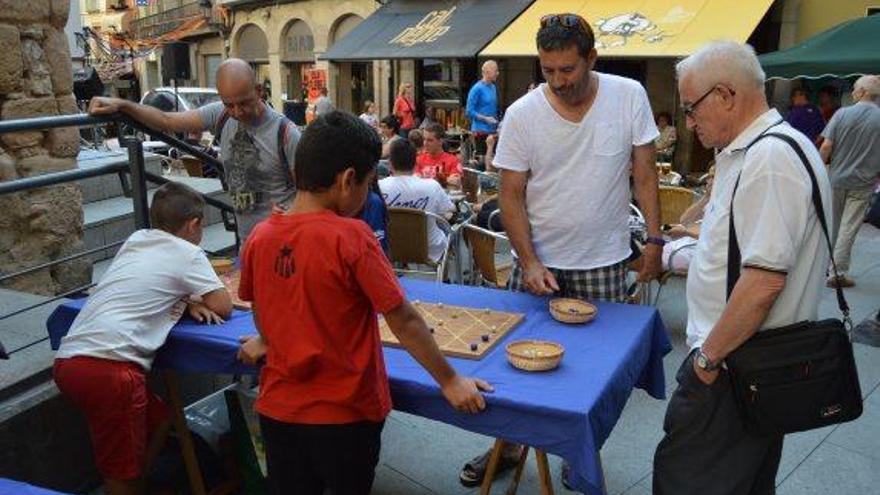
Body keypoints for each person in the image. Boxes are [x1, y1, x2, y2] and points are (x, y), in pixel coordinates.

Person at [234, 111, 490, 495]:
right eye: (369, 184)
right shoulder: (352, 237)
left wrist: (269, 340)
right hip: (344, 417)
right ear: (346, 180)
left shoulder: (260, 235)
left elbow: (261, 307)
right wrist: (450, 379)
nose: (369, 194)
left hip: (278, 411)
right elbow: (403, 319)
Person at [460, 13, 663, 489]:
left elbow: (646, 174)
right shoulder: (524, 112)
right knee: (516, 365)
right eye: (548, 70)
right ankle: (507, 445)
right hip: (539, 261)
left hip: (605, 258)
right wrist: (528, 261)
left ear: (592, 57)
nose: (558, 81)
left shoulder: (629, 96)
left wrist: (654, 240)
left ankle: (580, 452)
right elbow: (510, 193)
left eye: (568, 69)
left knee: (596, 372)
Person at [653, 41, 832, 495]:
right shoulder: (765, 148)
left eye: (692, 109)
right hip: (751, 368)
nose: (689, 122)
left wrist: (707, 362)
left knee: (688, 481)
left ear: (726, 95)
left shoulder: (770, 158)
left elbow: (764, 281)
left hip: (733, 369)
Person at [53, 182, 233, 495]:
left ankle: (138, 483)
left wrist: (188, 300)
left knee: (161, 418)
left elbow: (154, 281)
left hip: (70, 361)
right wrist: (196, 299)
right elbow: (223, 306)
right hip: (109, 372)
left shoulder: (137, 239)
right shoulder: (188, 253)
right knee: (120, 472)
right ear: (194, 225)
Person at [88, 59, 300, 245]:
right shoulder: (221, 115)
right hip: (248, 242)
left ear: (259, 90)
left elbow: (312, 196)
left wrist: (291, 216)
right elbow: (167, 120)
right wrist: (122, 105)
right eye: (229, 105)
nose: (237, 112)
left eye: (244, 103)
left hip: (284, 244)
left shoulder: (286, 134)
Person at [818, 74, 880, 288]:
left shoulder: (842, 114)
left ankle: (823, 267)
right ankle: (837, 272)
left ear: (862, 92)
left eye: (854, 88)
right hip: (863, 182)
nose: (852, 92)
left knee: (832, 224)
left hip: (836, 179)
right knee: (849, 227)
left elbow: (826, 147)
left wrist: (816, 172)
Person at [380, 139, 455, 263]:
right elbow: (450, 209)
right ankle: (446, 278)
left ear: (390, 163)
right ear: (415, 162)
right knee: (449, 226)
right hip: (430, 250)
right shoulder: (432, 186)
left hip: (390, 249)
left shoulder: (379, 187)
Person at [466, 60, 500, 155]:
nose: (498, 73)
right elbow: (469, 111)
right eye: (496, 70)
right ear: (487, 72)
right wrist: (485, 118)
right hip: (480, 131)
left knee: (492, 160)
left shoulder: (493, 87)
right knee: (482, 160)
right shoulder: (476, 88)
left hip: (492, 130)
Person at [415, 123, 462, 187]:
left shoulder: (453, 161)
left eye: (430, 140)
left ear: (440, 141)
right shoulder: (418, 159)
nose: (425, 143)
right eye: (424, 139)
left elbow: (456, 181)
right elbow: (414, 181)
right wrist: (445, 179)